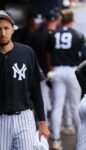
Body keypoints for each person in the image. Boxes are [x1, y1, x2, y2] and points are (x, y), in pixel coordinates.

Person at [0, 10, 50, 150]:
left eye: (6, 28)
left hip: (25, 118)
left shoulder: (27, 52)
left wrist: (42, 123)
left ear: (13, 29)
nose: (2, 32)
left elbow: (36, 89)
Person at [46, 9, 86, 150]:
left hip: (57, 71)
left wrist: (51, 69)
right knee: (76, 105)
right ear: (72, 20)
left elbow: (48, 54)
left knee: (57, 106)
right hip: (72, 70)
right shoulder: (78, 34)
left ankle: (56, 139)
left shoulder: (54, 34)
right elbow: (83, 57)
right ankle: (80, 138)